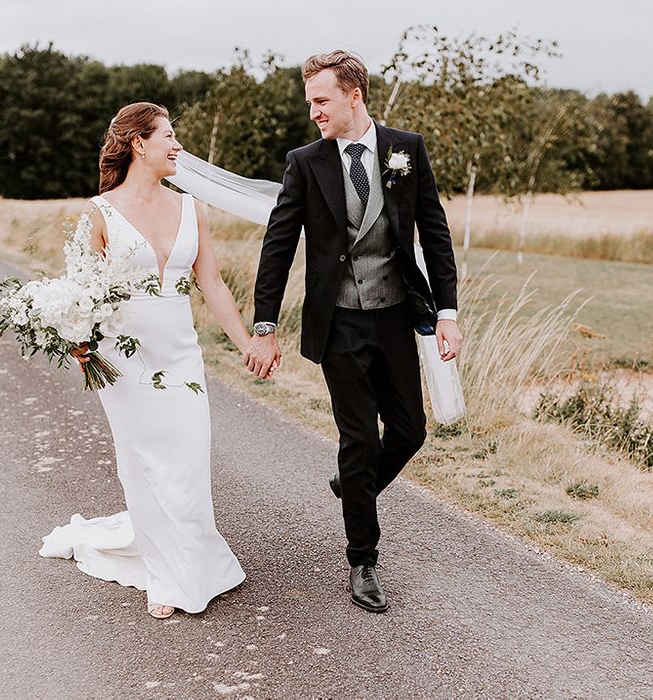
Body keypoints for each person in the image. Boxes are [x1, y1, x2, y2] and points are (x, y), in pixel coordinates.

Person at [244, 51, 462, 613]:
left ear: (353, 97)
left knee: (410, 432)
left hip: (394, 314)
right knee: (360, 438)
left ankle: (353, 484)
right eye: (310, 102)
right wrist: (264, 325)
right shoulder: (305, 162)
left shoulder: (404, 149)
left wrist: (447, 312)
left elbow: (434, 231)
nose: (313, 111)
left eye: (321, 100)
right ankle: (363, 559)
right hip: (338, 320)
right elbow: (278, 247)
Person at [39, 102, 255, 619]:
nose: (178, 146)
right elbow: (78, 290)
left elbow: (213, 284)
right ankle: (164, 573)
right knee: (145, 462)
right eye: (169, 136)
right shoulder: (99, 212)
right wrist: (77, 339)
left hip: (180, 350)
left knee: (188, 454)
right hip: (123, 357)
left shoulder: (190, 207)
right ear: (139, 144)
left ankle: (193, 557)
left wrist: (246, 341)